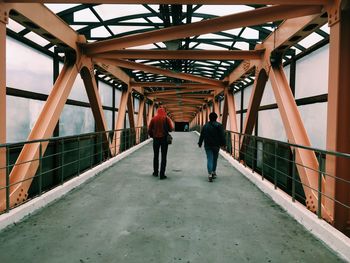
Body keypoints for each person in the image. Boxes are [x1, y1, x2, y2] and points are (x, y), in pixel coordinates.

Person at [198, 112, 226, 182]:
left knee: (209, 158)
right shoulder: (219, 125)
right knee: (215, 159)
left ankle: (210, 174)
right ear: (216, 118)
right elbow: (222, 136)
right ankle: (213, 172)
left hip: (207, 145)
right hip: (216, 145)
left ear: (209, 118)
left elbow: (202, 135)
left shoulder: (205, 126)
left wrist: (200, 143)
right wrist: (224, 144)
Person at [148, 107, 174, 180]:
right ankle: (162, 174)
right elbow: (171, 129)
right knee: (164, 156)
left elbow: (149, 129)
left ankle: (155, 172)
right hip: (164, 139)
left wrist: (152, 136)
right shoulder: (166, 119)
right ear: (164, 112)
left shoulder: (153, 119)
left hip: (156, 139)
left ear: (157, 112)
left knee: (155, 156)